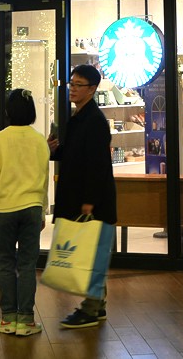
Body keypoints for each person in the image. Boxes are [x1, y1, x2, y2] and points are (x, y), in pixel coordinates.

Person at [49, 64, 115, 328]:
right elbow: (75, 154)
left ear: (92, 88)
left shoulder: (95, 121)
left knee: (93, 254)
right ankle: (96, 306)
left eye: (78, 85)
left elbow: (97, 164)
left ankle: (91, 308)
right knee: (91, 253)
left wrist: (90, 200)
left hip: (93, 202)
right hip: (81, 197)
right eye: (71, 84)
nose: (73, 89)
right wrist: (54, 151)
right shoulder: (78, 117)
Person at [0, 89, 49, 337]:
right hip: (32, 207)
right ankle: (27, 320)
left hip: (4, 208)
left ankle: (7, 318)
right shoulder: (38, 140)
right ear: (32, 111)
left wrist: (0, 189)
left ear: (9, 112)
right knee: (28, 265)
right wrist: (42, 209)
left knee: (6, 264)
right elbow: (44, 179)